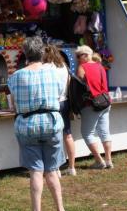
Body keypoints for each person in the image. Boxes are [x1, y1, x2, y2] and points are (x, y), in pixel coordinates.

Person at [8, 37, 65, 211]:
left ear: (25, 54)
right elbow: (61, 96)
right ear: (42, 52)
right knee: (52, 170)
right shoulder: (55, 72)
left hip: (27, 125)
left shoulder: (15, 77)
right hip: (51, 123)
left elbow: (13, 106)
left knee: (36, 171)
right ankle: (60, 208)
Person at [75, 45, 113, 169]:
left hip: (91, 104)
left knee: (87, 133)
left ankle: (99, 160)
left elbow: (79, 87)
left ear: (85, 55)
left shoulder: (82, 67)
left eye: (78, 56)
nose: (77, 59)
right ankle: (108, 160)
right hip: (105, 102)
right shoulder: (100, 66)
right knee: (104, 132)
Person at [42, 45, 76, 176]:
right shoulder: (64, 66)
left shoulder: (45, 68)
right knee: (68, 134)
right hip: (65, 102)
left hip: (52, 104)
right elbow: (69, 83)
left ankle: (55, 168)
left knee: (53, 137)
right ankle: (72, 167)